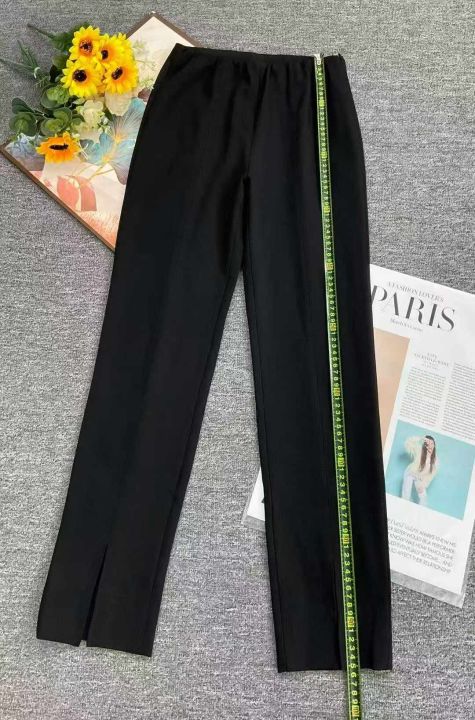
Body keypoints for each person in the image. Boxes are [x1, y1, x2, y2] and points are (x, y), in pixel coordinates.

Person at [401, 434, 439, 506]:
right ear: (425, 445)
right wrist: (421, 438)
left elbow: (431, 475)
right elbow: (408, 443)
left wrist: (423, 485)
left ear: (434, 445)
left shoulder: (435, 460)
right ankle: (403, 507)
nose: (430, 446)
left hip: (420, 477)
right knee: (406, 494)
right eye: (428, 444)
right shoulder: (419, 451)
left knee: (423, 497)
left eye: (432, 444)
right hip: (410, 473)